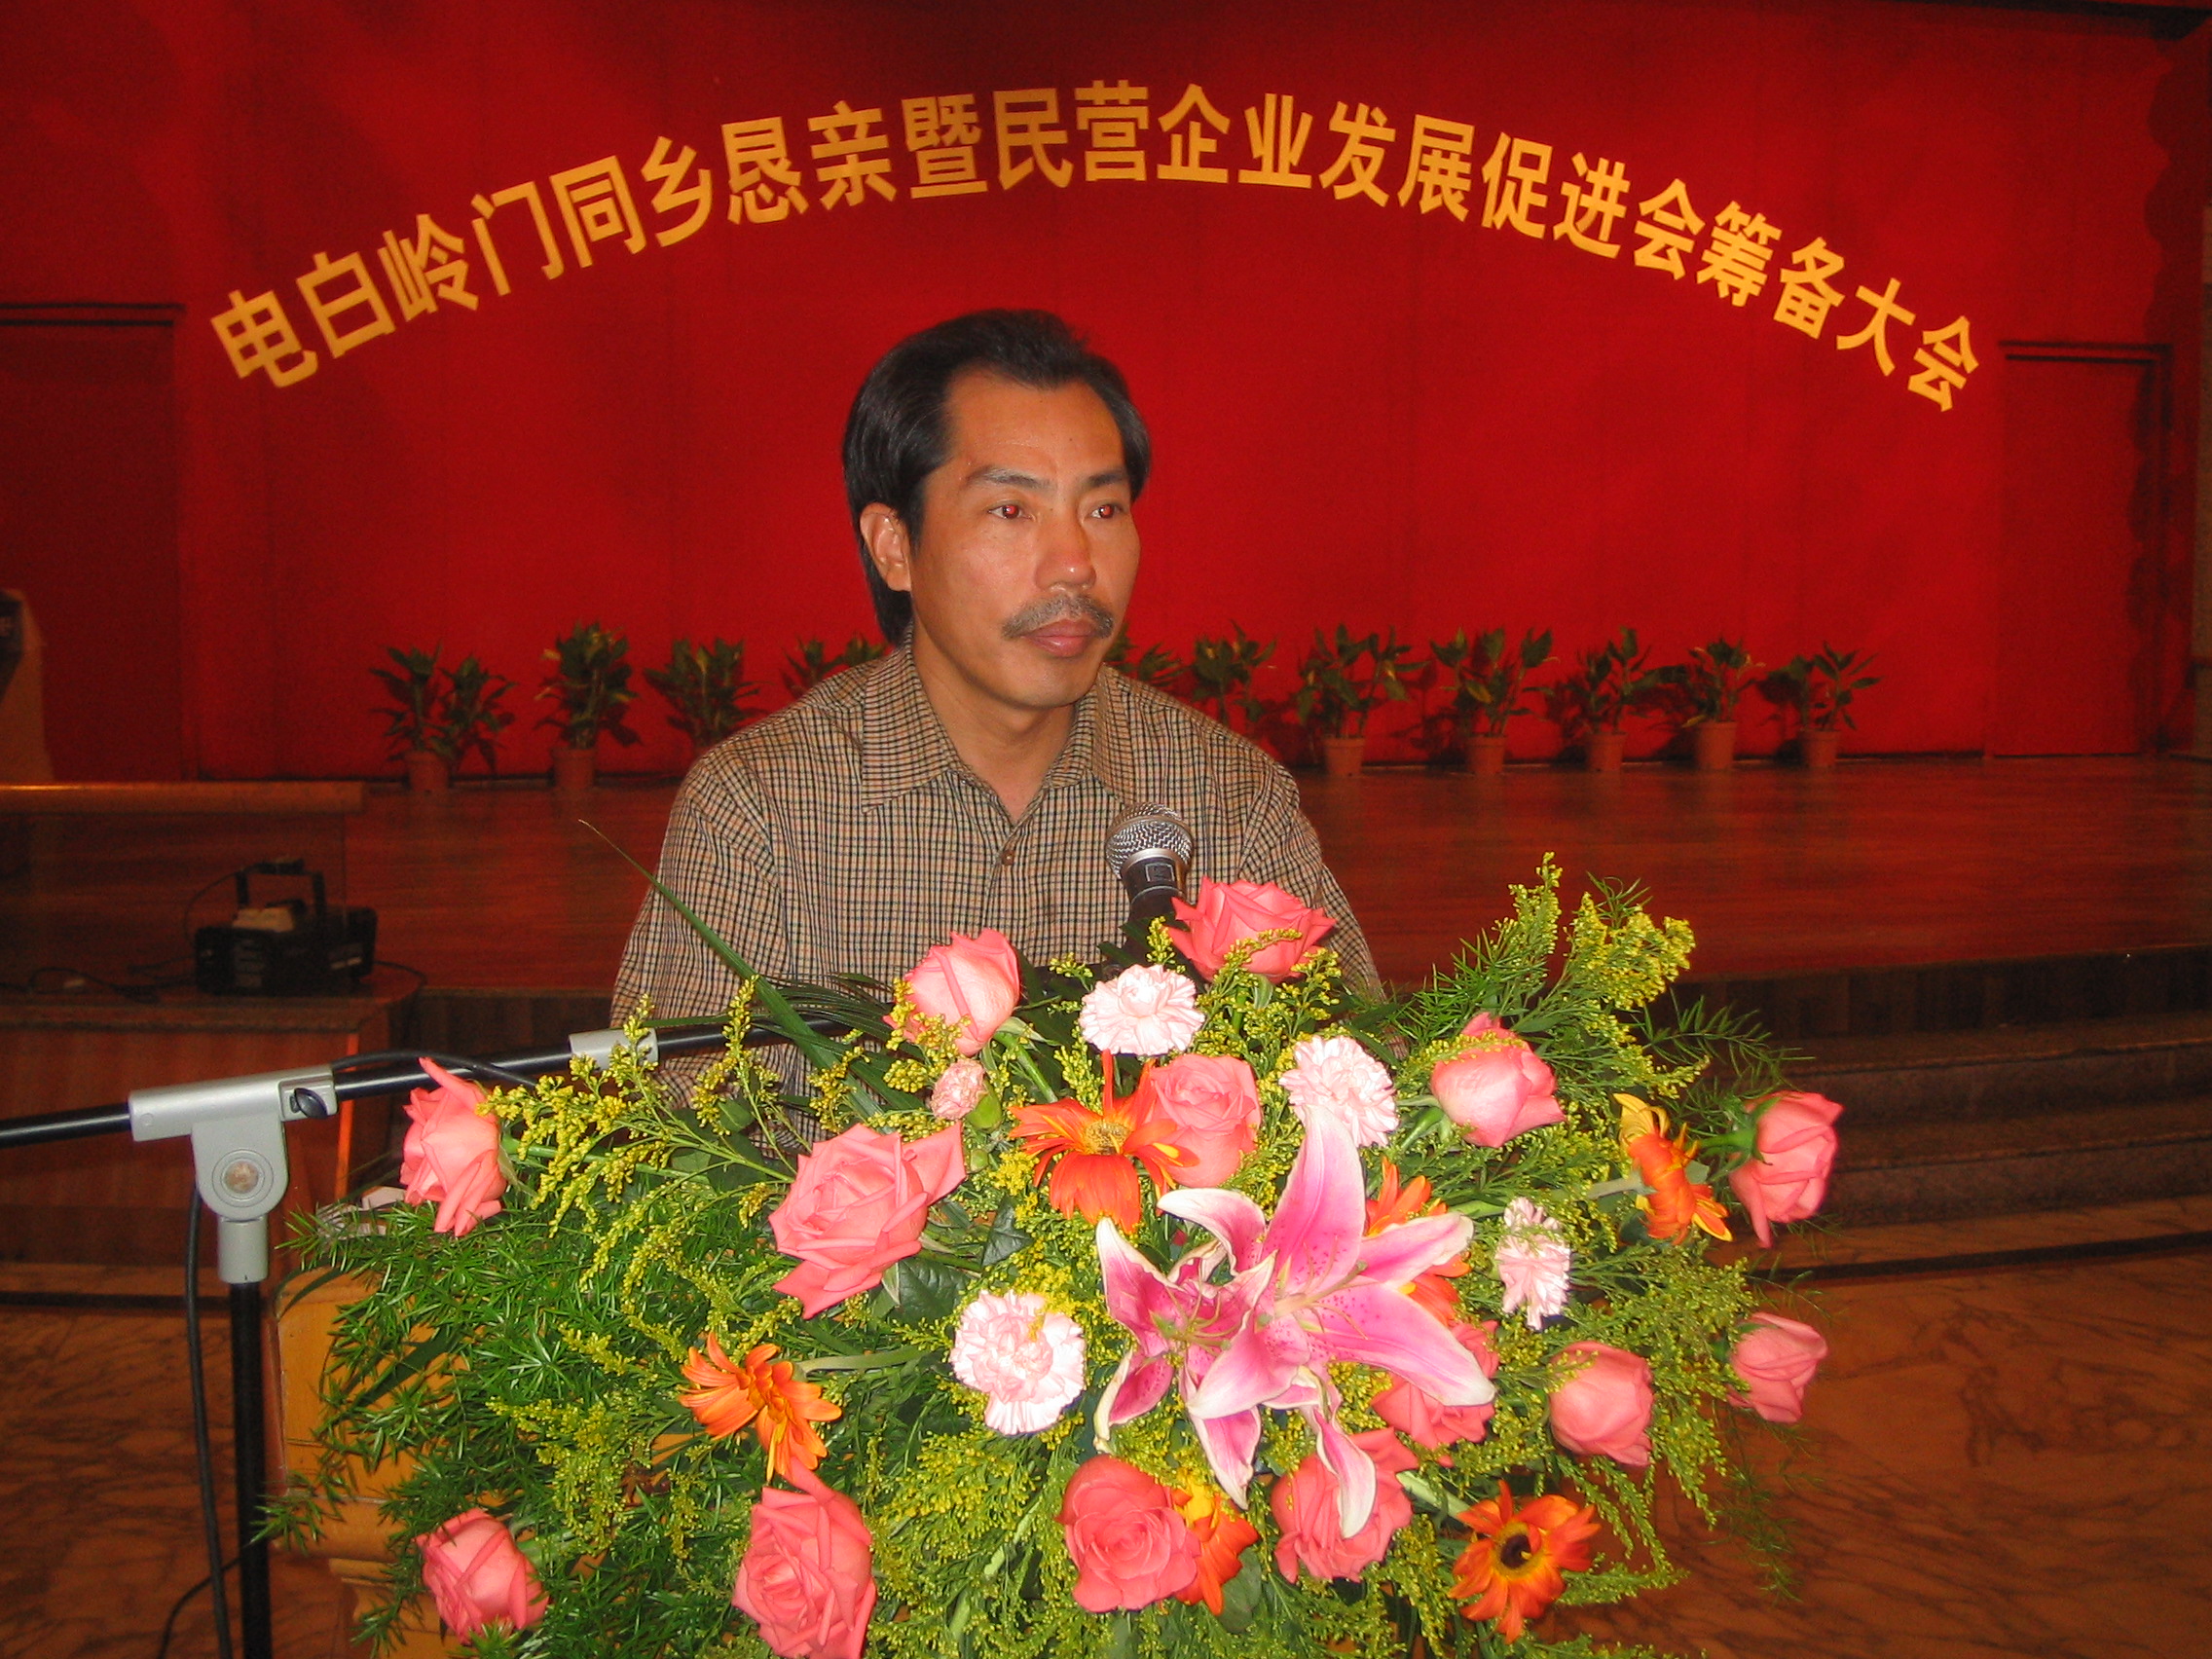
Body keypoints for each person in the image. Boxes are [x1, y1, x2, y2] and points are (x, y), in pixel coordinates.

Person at [611, 310, 1377, 1045]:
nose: (1075, 564)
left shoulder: (1227, 799)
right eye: (1011, 510)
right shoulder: (761, 812)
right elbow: (671, 1116)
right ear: (894, 546)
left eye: (1104, 510)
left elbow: (1360, 1084)